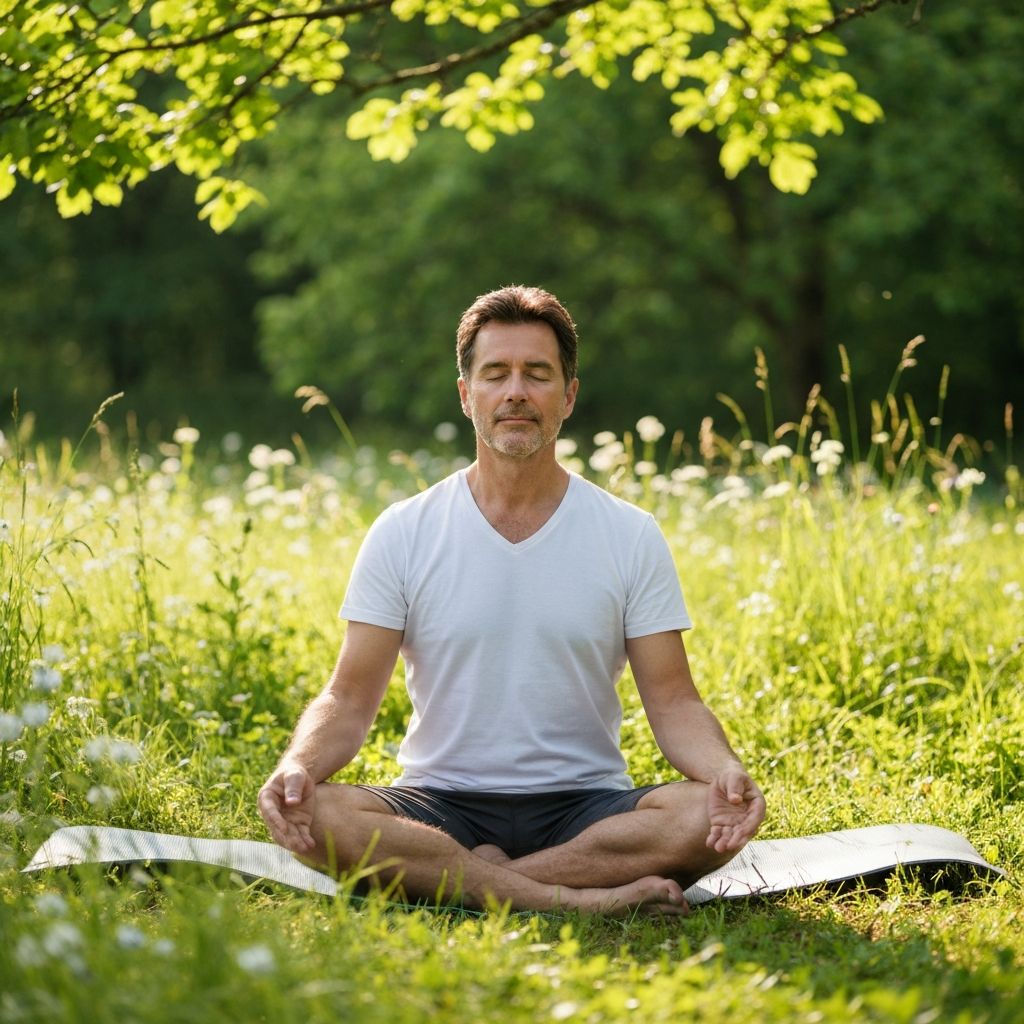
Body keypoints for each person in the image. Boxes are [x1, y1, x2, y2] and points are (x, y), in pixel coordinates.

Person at [258, 285, 765, 916]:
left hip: (585, 807)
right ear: (466, 394)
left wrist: (722, 769)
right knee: (318, 812)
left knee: (702, 814)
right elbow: (349, 698)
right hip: (439, 803)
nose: (516, 392)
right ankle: (575, 900)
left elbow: (674, 701)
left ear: (568, 396)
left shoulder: (629, 533)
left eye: (537, 374)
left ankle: (480, 883)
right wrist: (297, 764)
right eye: (495, 374)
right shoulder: (403, 530)